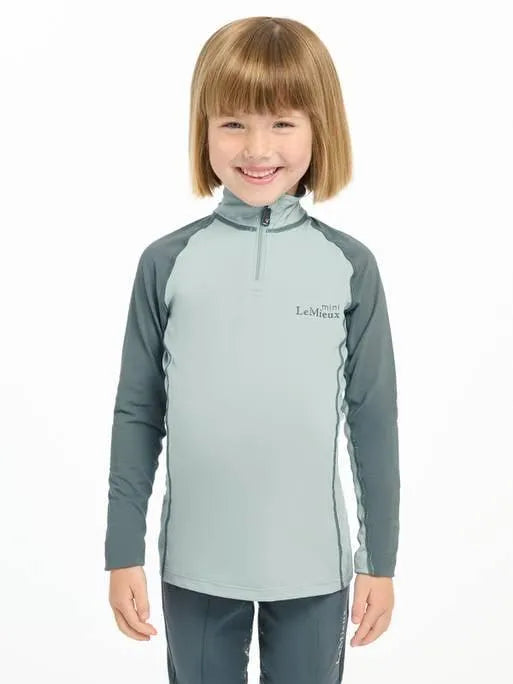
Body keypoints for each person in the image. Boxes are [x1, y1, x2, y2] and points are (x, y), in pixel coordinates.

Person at [104, 15, 400, 684]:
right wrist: (122, 550)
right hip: (195, 566)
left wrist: (378, 561)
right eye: (233, 123)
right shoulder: (166, 263)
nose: (257, 148)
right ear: (203, 129)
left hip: (313, 569)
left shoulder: (350, 266)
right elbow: (138, 414)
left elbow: (373, 423)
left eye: (283, 122)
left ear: (320, 129)